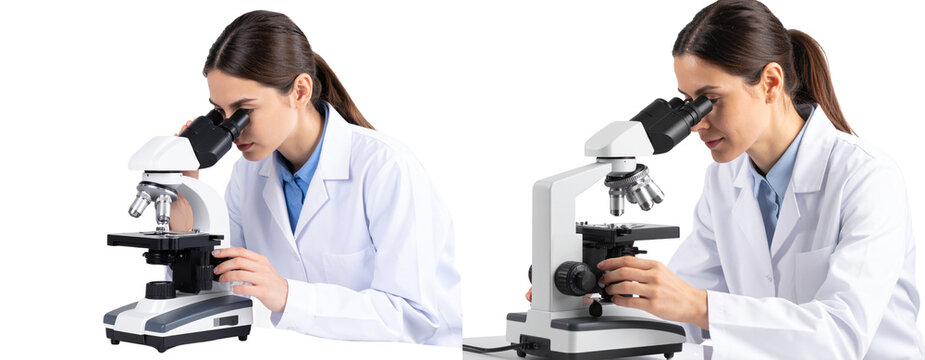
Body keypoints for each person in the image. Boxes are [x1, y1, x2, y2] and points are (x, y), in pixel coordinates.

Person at [528, 0, 923, 357]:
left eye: (709, 100)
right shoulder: (725, 179)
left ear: (770, 82)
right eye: (688, 102)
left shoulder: (867, 178)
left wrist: (698, 306)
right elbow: (678, 311)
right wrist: (596, 307)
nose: (696, 122)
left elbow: (840, 334)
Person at [169, 10, 461, 346]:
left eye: (244, 110)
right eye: (221, 113)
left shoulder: (385, 167)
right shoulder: (247, 174)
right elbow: (224, 289)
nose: (232, 130)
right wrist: (185, 206)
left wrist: (287, 294)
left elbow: (413, 317)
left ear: (300, 91)